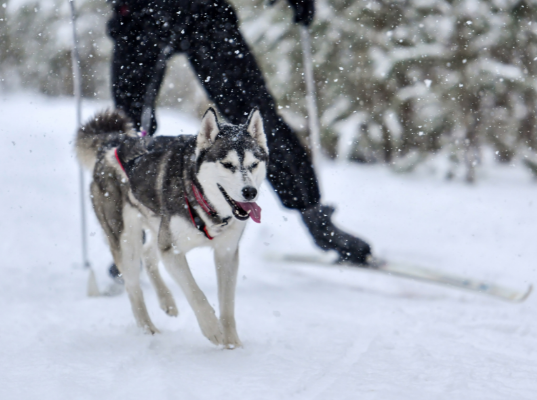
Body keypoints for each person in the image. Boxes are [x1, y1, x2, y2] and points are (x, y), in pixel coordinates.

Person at [106, 0, 372, 265]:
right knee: (130, 127)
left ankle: (316, 219)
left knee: (258, 120)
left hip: (204, 13)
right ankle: (131, 231)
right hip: (139, 14)